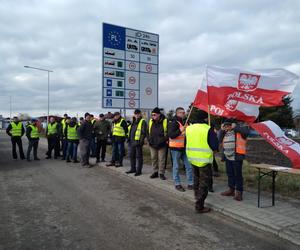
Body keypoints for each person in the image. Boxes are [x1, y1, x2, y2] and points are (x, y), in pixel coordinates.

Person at [185, 110, 219, 213]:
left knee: (196, 179)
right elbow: (214, 146)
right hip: (204, 160)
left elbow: (186, 142)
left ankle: (196, 195)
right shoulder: (207, 129)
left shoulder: (189, 128)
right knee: (204, 182)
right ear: (205, 119)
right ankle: (199, 205)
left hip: (192, 158)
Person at [219, 119, 249, 201]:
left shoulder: (240, 128)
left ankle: (239, 192)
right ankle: (231, 190)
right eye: (225, 125)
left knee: (238, 175)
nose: (227, 127)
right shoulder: (224, 132)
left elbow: (246, 133)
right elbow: (218, 139)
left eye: (228, 125)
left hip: (236, 156)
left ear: (232, 124)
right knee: (230, 174)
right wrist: (221, 130)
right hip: (227, 156)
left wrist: (235, 127)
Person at [168, 107, 193, 192]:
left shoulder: (185, 122)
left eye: (184, 112)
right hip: (175, 148)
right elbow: (171, 135)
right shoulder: (173, 122)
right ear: (177, 113)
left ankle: (190, 183)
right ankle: (177, 184)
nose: (184, 113)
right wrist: (180, 130)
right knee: (176, 167)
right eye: (182, 112)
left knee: (189, 166)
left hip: (185, 148)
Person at [148, 107, 168, 180]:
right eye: (152, 115)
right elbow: (148, 131)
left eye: (154, 114)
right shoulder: (150, 121)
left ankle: (161, 173)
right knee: (153, 158)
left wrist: (164, 140)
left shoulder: (165, 120)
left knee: (161, 159)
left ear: (159, 114)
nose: (153, 116)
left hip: (162, 144)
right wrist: (149, 140)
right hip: (152, 143)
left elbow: (167, 132)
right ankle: (155, 171)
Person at [126, 109, 147, 176]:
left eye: (138, 114)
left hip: (138, 142)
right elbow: (130, 131)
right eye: (135, 114)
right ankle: (133, 169)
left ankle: (139, 170)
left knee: (139, 157)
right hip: (131, 142)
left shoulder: (142, 121)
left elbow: (144, 133)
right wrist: (128, 138)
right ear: (134, 114)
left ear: (140, 114)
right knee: (132, 156)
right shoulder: (133, 121)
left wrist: (140, 142)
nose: (137, 115)